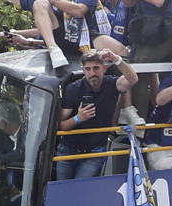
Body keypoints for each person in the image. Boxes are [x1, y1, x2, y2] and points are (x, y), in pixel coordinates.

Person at [56, 50, 137, 181]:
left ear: (104, 68)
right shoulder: (73, 89)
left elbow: (132, 79)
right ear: (83, 70)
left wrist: (116, 58)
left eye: (96, 68)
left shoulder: (111, 84)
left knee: (81, 190)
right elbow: (61, 126)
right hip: (68, 150)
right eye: (88, 69)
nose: (92, 73)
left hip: (95, 151)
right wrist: (78, 118)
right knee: (63, 191)